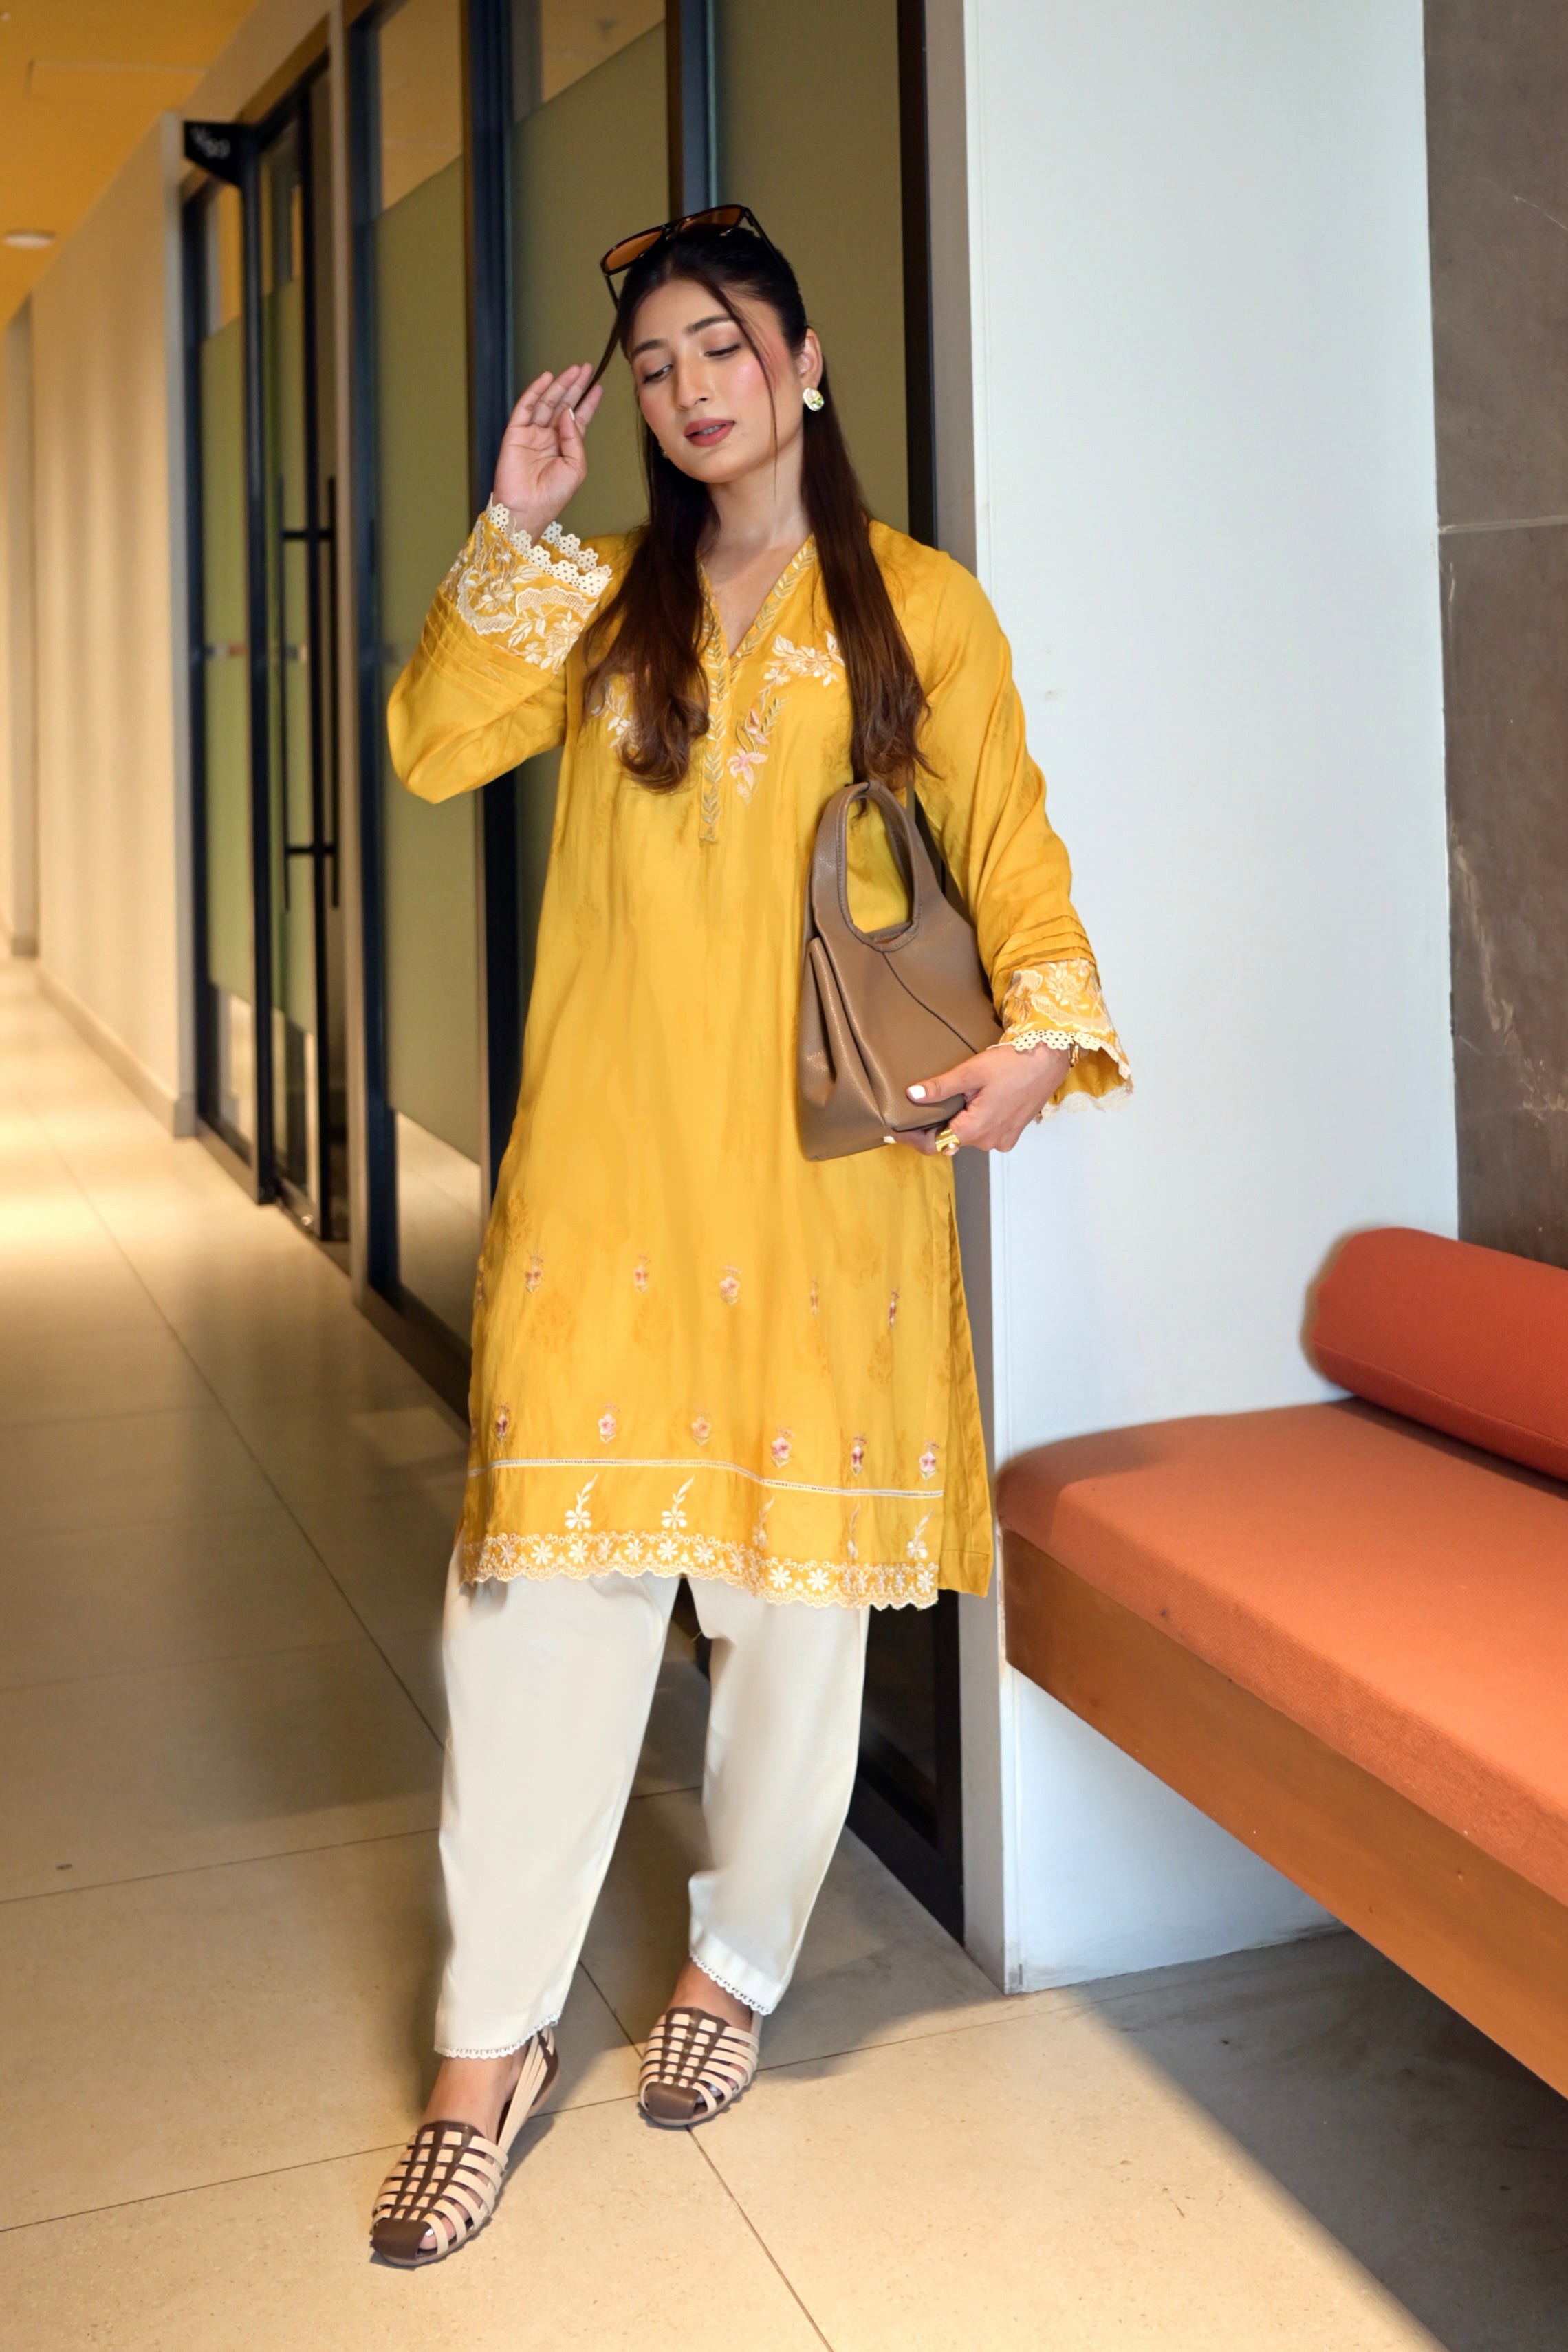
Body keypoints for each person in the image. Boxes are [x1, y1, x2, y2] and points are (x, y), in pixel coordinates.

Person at [369, 206, 1129, 2266]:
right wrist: (518, 525)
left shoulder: (918, 609)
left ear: (804, 364)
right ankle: (486, 2044)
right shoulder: (603, 598)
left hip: (817, 1186)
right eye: (654, 365)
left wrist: (1045, 1037)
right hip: (608, 1178)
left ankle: (737, 1963)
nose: (690, 388)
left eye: (722, 345)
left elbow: (1008, 837)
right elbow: (433, 743)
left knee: (795, 1611)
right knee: (538, 1604)